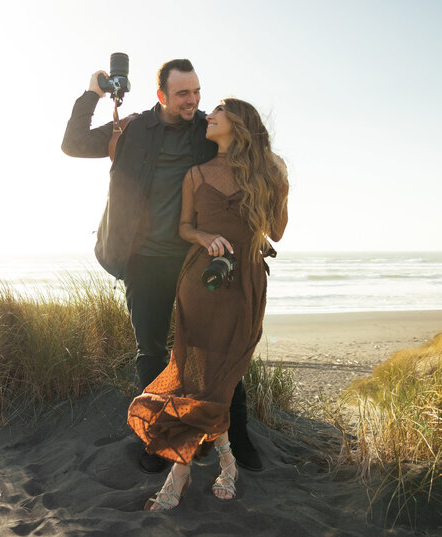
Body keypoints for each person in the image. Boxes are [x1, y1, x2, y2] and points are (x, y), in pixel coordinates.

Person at [61, 60, 263, 473]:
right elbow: (73, 142)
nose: (193, 102)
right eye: (183, 94)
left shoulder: (206, 132)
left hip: (195, 258)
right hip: (141, 260)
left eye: (197, 92)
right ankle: (157, 439)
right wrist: (93, 95)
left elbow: (247, 151)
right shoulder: (130, 128)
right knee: (151, 350)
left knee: (217, 347)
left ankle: (239, 436)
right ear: (161, 96)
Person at [127, 98, 289, 510]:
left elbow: (278, 231)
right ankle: (186, 473)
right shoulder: (196, 173)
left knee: (225, 375)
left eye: (217, 110)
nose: (208, 117)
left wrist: (281, 182)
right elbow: (184, 226)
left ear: (238, 123)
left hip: (246, 283)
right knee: (195, 374)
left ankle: (227, 459)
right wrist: (204, 238)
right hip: (202, 280)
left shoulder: (267, 173)